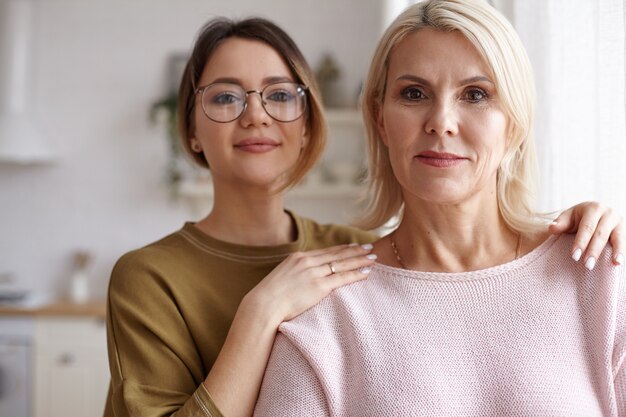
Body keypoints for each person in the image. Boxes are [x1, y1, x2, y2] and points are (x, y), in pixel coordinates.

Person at [104, 14, 624, 417]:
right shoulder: (320, 300)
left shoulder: (341, 256)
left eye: (280, 96)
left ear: (307, 124)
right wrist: (261, 312)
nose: (256, 114)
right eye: (224, 97)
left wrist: (583, 229)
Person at [253, 1, 626, 416]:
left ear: (514, 124)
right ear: (380, 120)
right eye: (414, 94)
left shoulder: (599, 277)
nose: (441, 121)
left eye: (476, 95)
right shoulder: (325, 314)